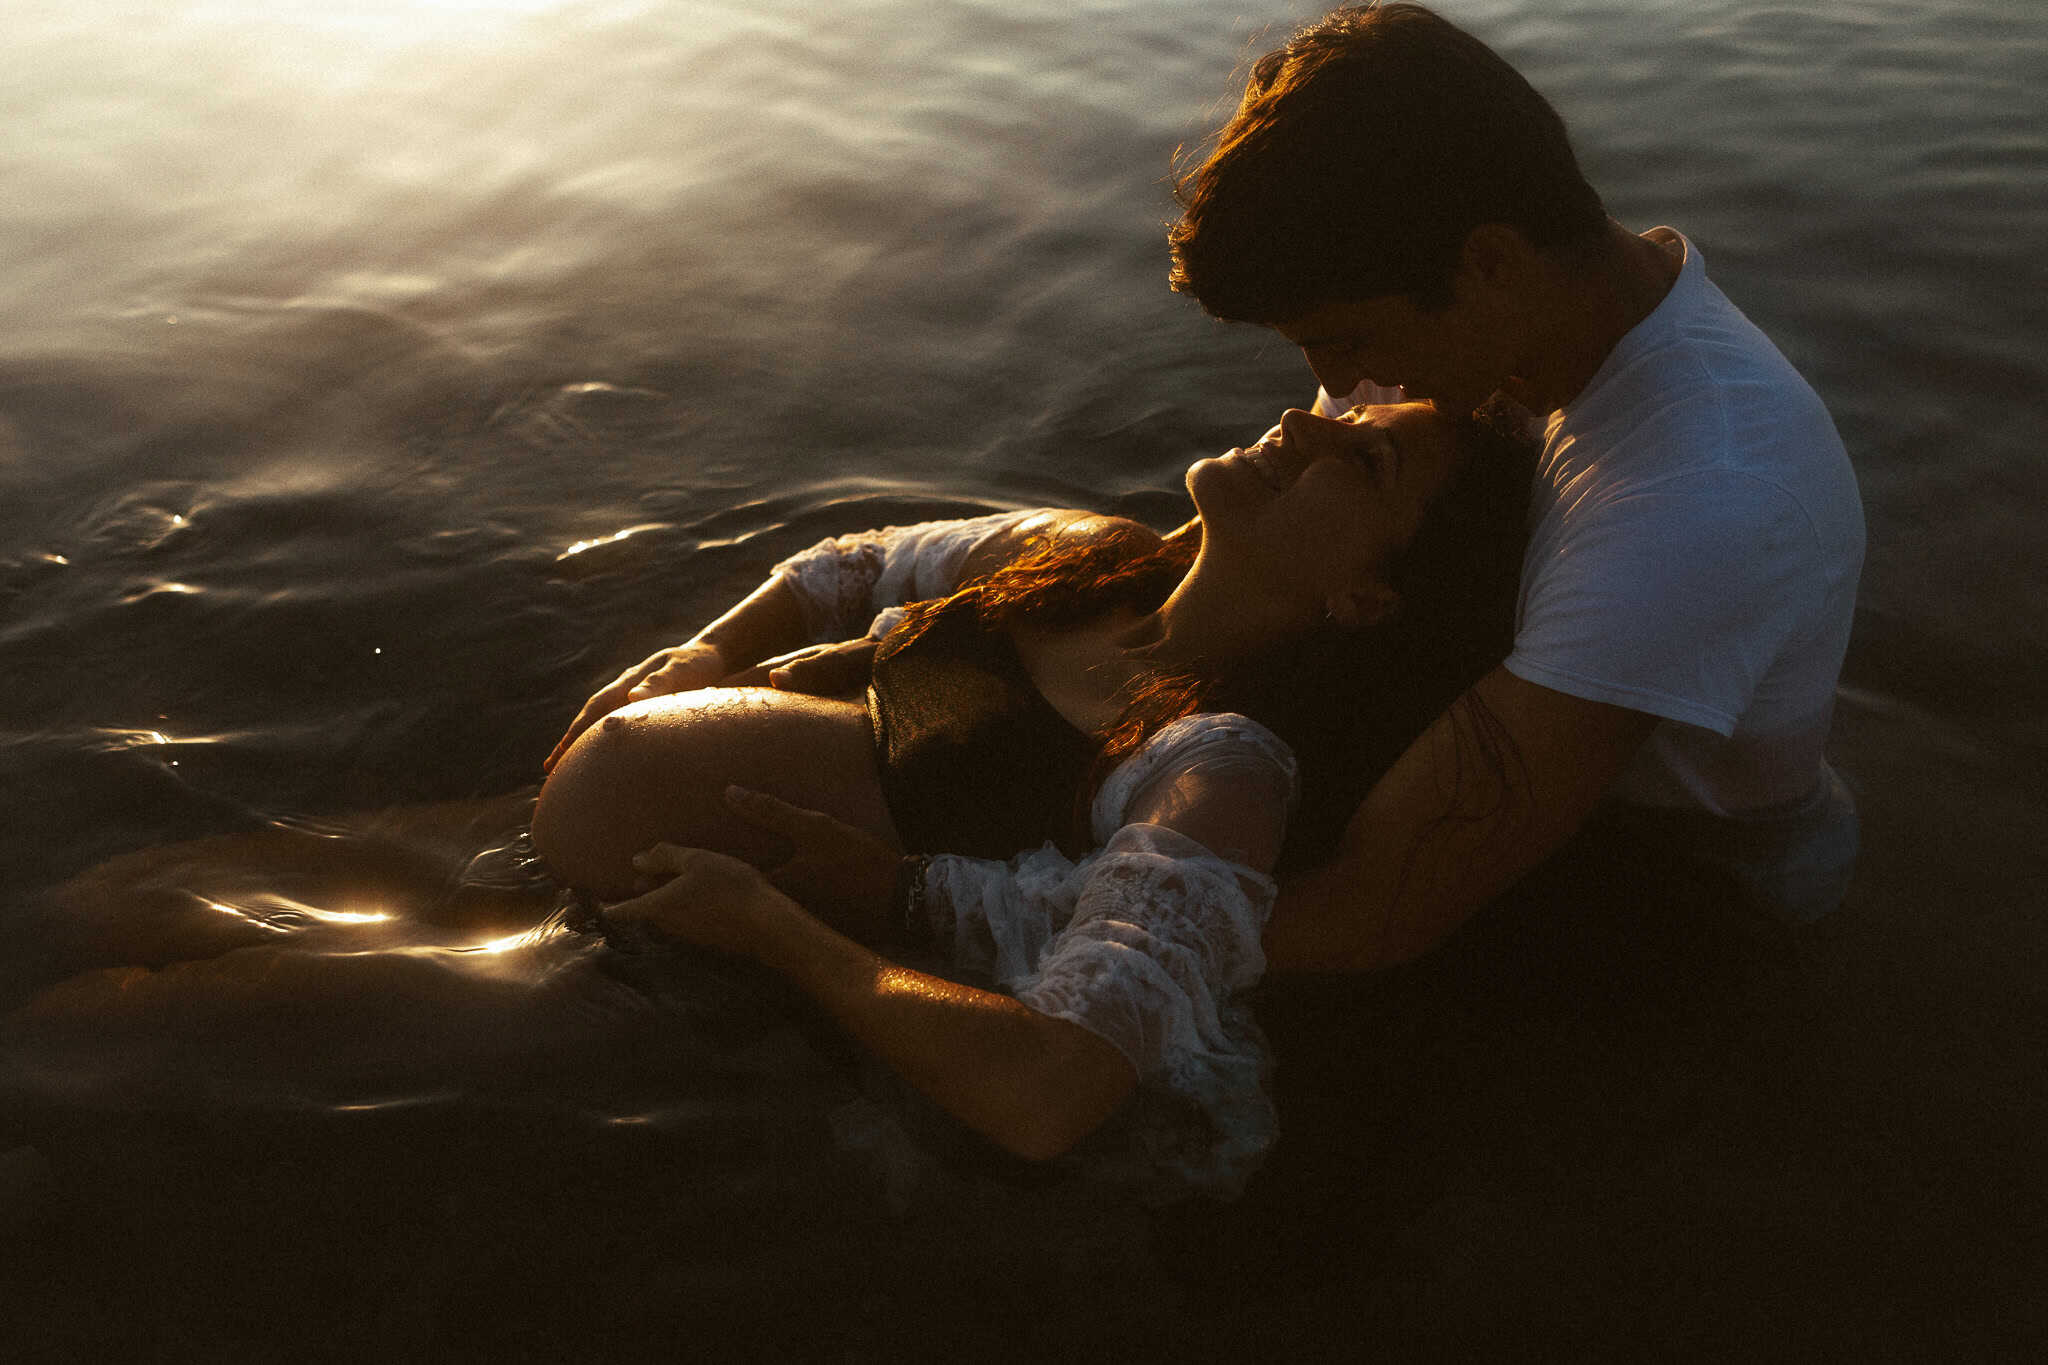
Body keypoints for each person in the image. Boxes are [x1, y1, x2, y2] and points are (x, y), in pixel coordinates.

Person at [13, 401, 1535, 1201]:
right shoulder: (1096, 551)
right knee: (122, 892)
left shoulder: (1216, 766)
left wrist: (774, 930)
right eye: (1351, 403)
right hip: (542, 841)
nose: (1317, 417)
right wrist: (703, 650)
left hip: (650, 966)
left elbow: (1054, 1088)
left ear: (1362, 597)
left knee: (131, 1026)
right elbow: (851, 565)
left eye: (1371, 460)